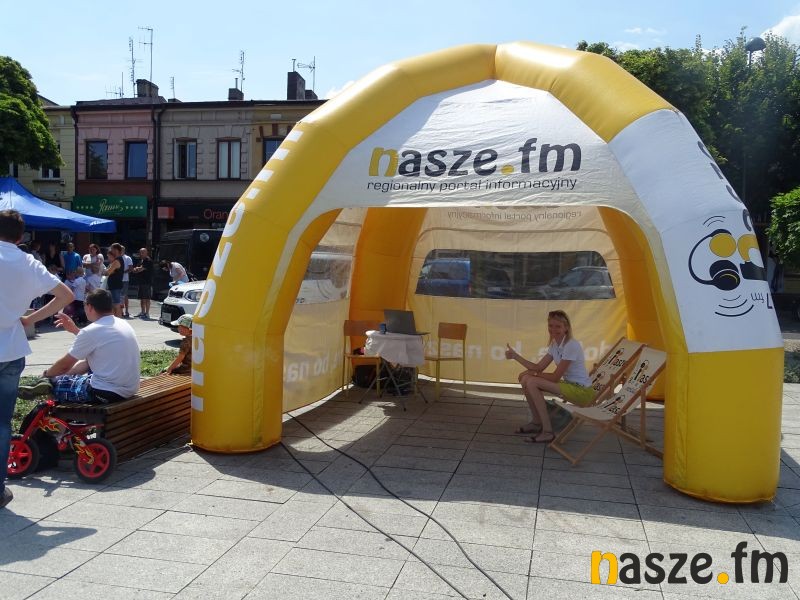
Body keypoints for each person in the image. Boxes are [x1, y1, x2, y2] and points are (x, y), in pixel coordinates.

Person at [0, 210, 73, 510]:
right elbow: (65, 295)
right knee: (2, 423)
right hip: (11, 348)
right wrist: (30, 318)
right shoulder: (28, 263)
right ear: (21, 237)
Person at [20, 288, 141, 405]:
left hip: (106, 392)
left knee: (51, 386)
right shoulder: (122, 323)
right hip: (130, 388)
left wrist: (46, 375)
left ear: (89, 306)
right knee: (80, 368)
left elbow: (64, 366)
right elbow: (97, 346)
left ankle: (56, 415)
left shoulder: (92, 331)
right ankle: (51, 383)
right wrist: (75, 330)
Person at [504, 309, 593, 443]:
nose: (553, 329)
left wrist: (532, 373)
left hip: (582, 392)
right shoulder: (555, 344)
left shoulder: (571, 345)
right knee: (526, 379)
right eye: (551, 326)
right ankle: (536, 422)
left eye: (558, 326)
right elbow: (539, 367)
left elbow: (555, 377)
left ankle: (547, 432)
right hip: (570, 386)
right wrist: (515, 356)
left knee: (532, 381)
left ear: (566, 328)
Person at [104, 243, 125, 317]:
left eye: (112, 249)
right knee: (114, 304)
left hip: (115, 286)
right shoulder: (117, 260)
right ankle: (116, 319)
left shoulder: (117, 261)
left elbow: (107, 272)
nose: (111, 250)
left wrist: (105, 271)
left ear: (116, 250)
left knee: (116, 304)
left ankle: (118, 320)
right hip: (114, 285)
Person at [132, 247, 153, 318]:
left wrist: (137, 269)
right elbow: (135, 270)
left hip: (147, 282)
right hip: (141, 282)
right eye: (140, 252)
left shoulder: (148, 260)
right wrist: (137, 269)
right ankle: (142, 312)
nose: (141, 254)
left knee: (147, 298)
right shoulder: (141, 260)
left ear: (147, 253)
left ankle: (147, 313)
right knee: (142, 298)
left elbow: (140, 269)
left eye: (143, 252)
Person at [120, 245, 133, 318]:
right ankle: (120, 311)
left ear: (124, 250)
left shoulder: (128, 258)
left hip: (125, 280)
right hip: (117, 280)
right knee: (119, 296)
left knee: (124, 295)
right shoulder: (117, 258)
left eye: (121, 250)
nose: (120, 251)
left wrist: (122, 272)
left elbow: (131, 268)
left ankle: (127, 311)